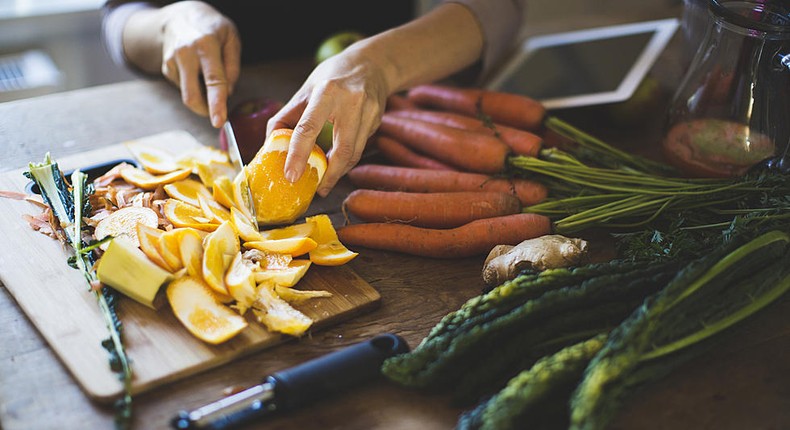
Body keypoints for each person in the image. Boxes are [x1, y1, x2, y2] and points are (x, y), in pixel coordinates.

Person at [102, 0, 527, 197]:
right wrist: (170, 22)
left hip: (375, 111)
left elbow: (499, 8)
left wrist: (380, 64)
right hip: (207, 114)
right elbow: (119, 15)